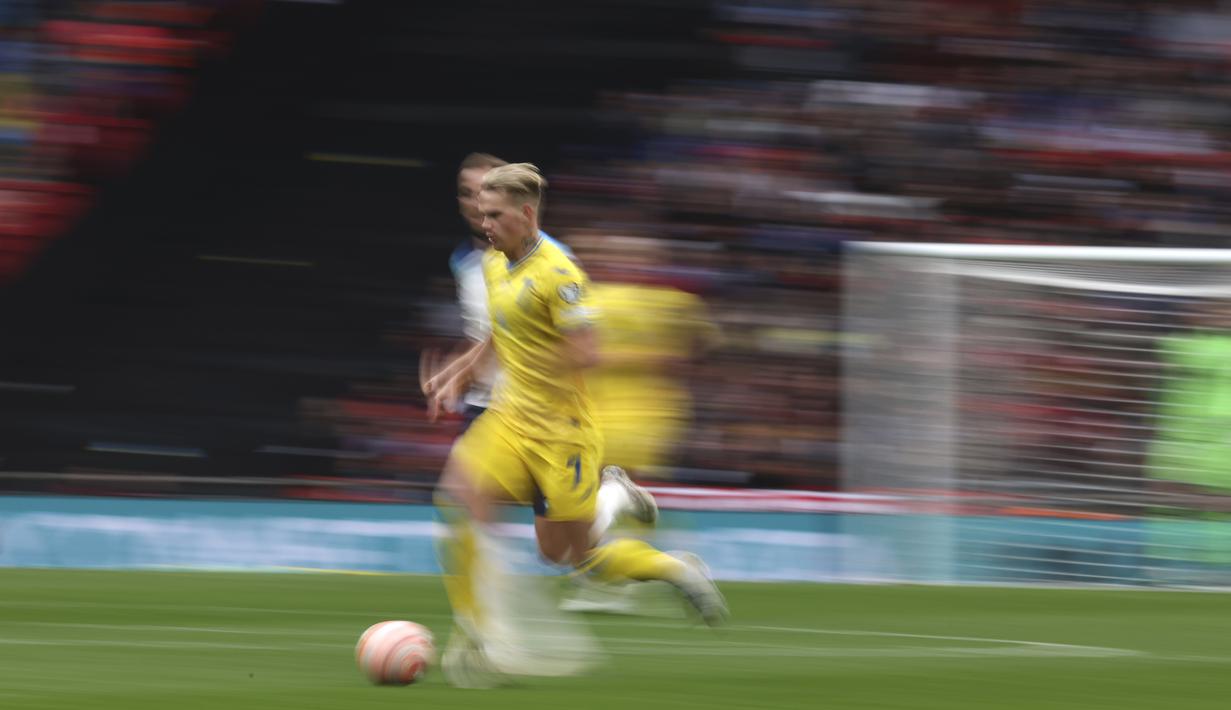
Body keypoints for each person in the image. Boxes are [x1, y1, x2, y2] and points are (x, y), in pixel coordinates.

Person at [424, 163, 726, 685]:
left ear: (525, 213)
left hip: (562, 433)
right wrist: (460, 374)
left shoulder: (560, 274)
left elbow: (586, 353)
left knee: (574, 560)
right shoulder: (494, 264)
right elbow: (497, 334)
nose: (484, 221)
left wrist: (534, 364)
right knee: (457, 494)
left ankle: (672, 564)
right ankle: (482, 637)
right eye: (479, 209)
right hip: (508, 418)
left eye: (494, 213)